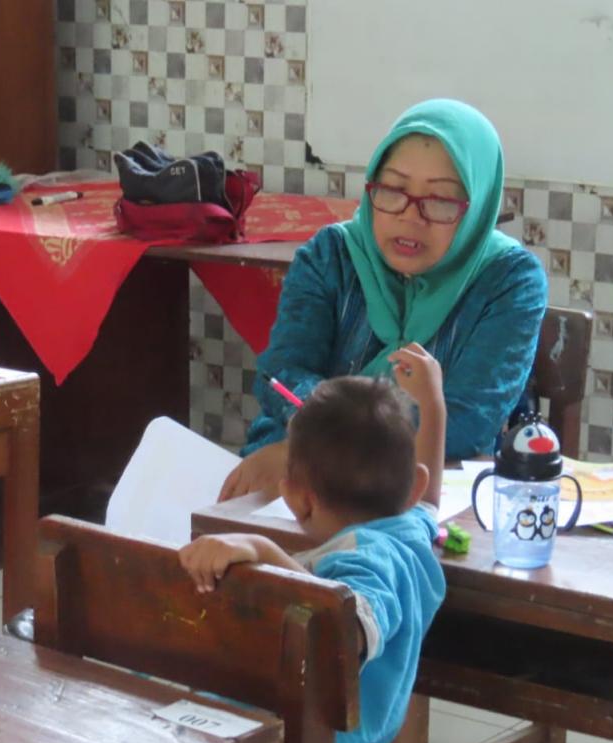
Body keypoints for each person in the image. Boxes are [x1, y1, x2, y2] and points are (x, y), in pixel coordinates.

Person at [181, 344, 447, 743]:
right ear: (410, 485)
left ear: (296, 496)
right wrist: (432, 406)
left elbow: (340, 628)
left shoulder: (369, 559)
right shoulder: (408, 534)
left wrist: (261, 548)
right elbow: (429, 501)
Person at [221, 98, 547, 501]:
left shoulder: (509, 280)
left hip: (417, 496)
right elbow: (281, 374)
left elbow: (467, 422)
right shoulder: (331, 255)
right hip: (290, 478)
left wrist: (315, 449)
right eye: (392, 189)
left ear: (477, 208)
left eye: (441, 201)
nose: (411, 216)